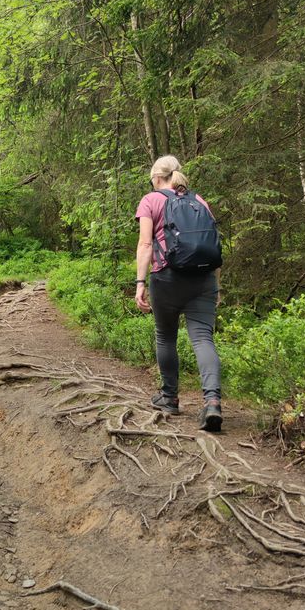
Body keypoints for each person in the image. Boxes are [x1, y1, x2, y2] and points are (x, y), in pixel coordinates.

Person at [134, 155, 222, 431]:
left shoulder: (151, 200)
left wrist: (140, 283)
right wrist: (215, 286)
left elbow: (146, 244)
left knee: (166, 336)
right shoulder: (200, 201)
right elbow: (214, 245)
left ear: (157, 179)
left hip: (168, 277)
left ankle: (170, 397)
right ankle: (212, 403)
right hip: (204, 278)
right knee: (202, 338)